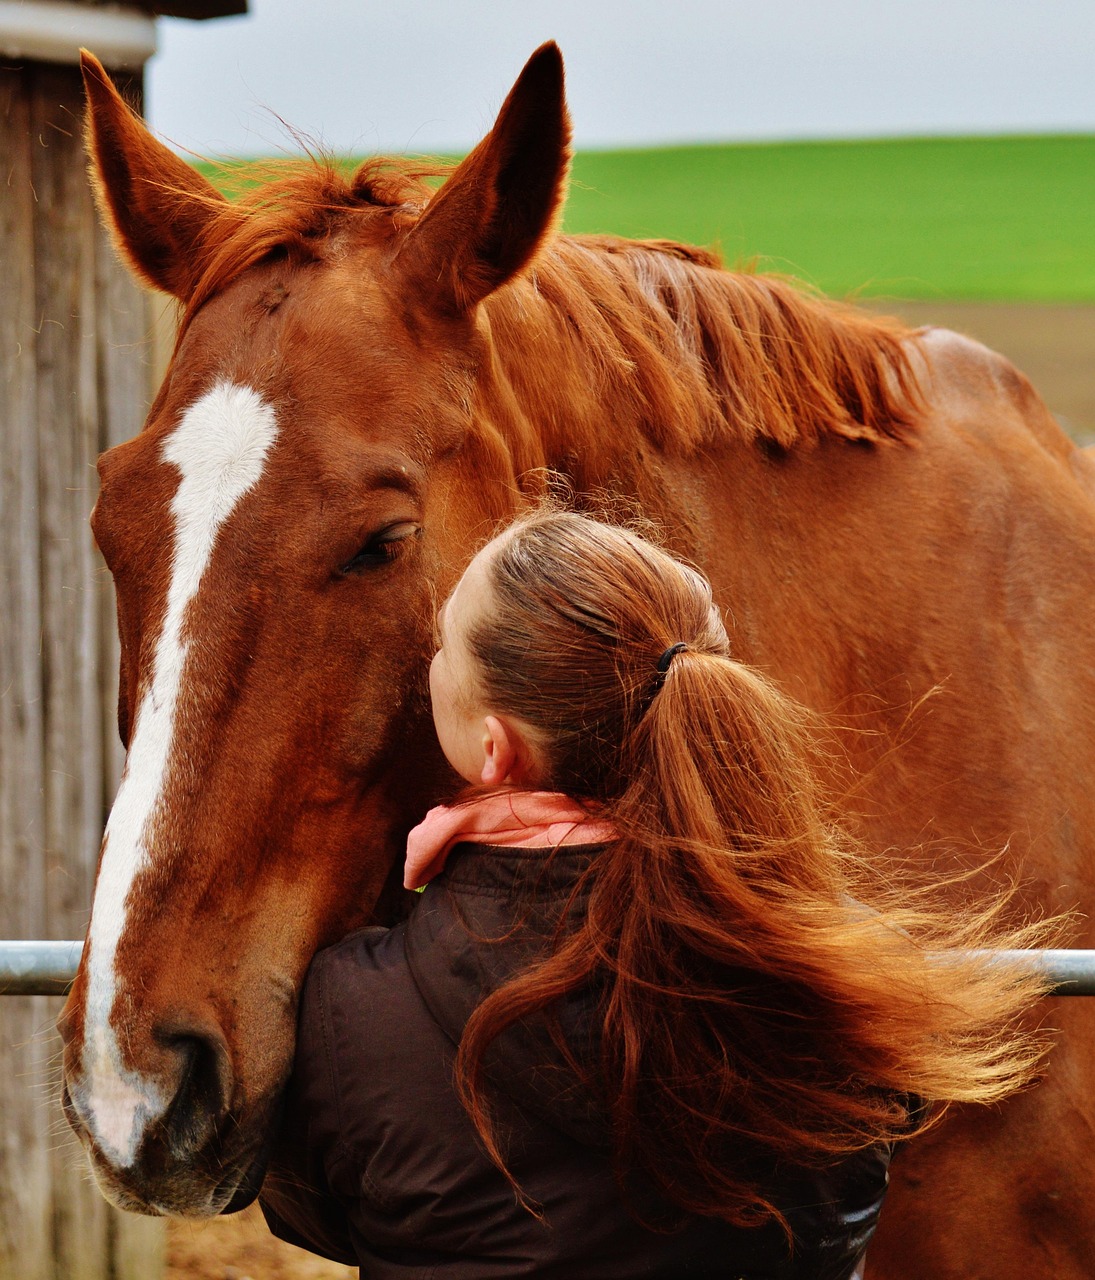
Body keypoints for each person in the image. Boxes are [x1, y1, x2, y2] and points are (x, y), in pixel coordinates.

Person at [260, 508, 1058, 1279]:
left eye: (441, 647)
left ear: (493, 751)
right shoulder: (849, 980)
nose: (430, 664)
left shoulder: (351, 1015)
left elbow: (318, 1214)